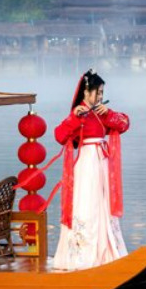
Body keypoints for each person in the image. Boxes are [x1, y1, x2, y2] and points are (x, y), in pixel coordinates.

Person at [52, 69, 130, 271]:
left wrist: (109, 113)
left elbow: (124, 124)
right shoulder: (78, 114)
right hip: (87, 165)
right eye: (98, 92)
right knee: (87, 206)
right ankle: (82, 256)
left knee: (103, 206)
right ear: (86, 92)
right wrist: (74, 118)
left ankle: (106, 253)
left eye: (102, 92)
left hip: (102, 165)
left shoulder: (102, 113)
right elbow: (59, 136)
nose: (101, 97)